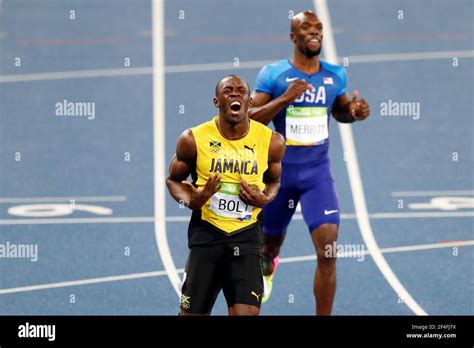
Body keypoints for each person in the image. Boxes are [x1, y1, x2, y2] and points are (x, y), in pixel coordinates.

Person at [249, 11, 370, 315]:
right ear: (293, 36)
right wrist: (284, 99)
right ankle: (268, 265)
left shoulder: (335, 75)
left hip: (318, 176)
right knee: (268, 247)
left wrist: (353, 112)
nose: (314, 32)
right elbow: (247, 119)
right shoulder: (274, 75)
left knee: (328, 252)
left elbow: (340, 111)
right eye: (306, 28)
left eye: (318, 28)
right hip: (279, 176)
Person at [166, 75, 286, 315]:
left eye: (241, 91)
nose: (235, 94)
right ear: (216, 101)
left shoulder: (271, 141)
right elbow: (173, 180)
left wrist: (265, 199)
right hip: (207, 236)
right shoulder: (193, 139)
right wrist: (192, 200)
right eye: (228, 91)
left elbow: (274, 182)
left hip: (247, 238)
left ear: (249, 101)